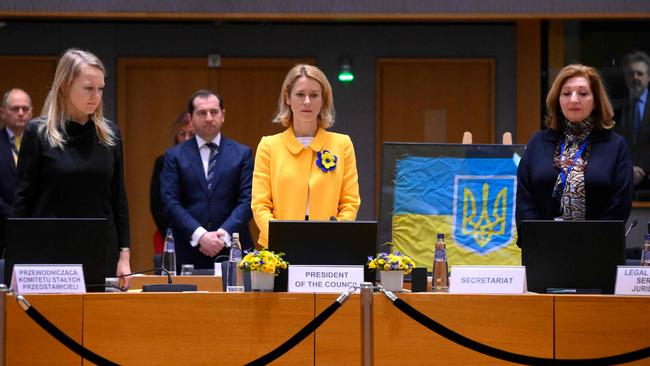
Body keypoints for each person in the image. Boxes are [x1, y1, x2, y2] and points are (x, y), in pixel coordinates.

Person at [12, 49, 132, 287]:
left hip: (100, 249)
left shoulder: (110, 134)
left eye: (100, 88)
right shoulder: (38, 132)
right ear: (65, 85)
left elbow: (119, 199)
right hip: (49, 252)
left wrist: (124, 256)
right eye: (88, 88)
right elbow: (23, 201)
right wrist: (18, 259)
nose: (96, 96)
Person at [251, 64, 361, 247]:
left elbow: (350, 203)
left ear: (323, 99)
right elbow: (260, 205)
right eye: (300, 94)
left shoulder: (342, 144)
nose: (307, 101)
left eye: (314, 95)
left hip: (330, 245)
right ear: (288, 97)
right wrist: (281, 237)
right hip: (280, 248)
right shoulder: (269, 145)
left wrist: (335, 236)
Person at [516, 64, 633, 231]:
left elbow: (620, 203)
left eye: (583, 93)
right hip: (543, 247)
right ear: (558, 100)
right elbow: (524, 200)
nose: (573, 99)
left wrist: (591, 241)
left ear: (596, 101)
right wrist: (535, 238)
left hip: (598, 247)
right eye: (566, 93)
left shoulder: (615, 145)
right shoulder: (538, 142)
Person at [161, 90, 253, 273]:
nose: (209, 118)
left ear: (223, 115)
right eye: (202, 113)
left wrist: (223, 235)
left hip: (232, 249)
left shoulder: (242, 154)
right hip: (187, 249)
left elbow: (248, 200)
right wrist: (201, 235)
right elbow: (169, 201)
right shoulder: (174, 156)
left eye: (214, 112)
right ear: (191, 118)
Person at [150, 111, 194, 257]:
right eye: (182, 133)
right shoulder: (163, 161)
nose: (186, 139)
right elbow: (157, 205)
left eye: (192, 135)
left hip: (205, 236)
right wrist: (174, 235)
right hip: (171, 235)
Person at [0, 88, 32, 254]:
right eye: (15, 108)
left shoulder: (41, 144)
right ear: (3, 113)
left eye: (25, 109)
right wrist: (15, 217)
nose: (21, 113)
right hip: (2, 229)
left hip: (35, 229)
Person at [614, 51, 650, 190]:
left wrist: (641, 169)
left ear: (648, 77)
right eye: (631, 74)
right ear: (626, 78)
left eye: (640, 74)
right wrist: (628, 168)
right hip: (621, 181)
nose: (635, 78)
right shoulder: (616, 108)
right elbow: (611, 142)